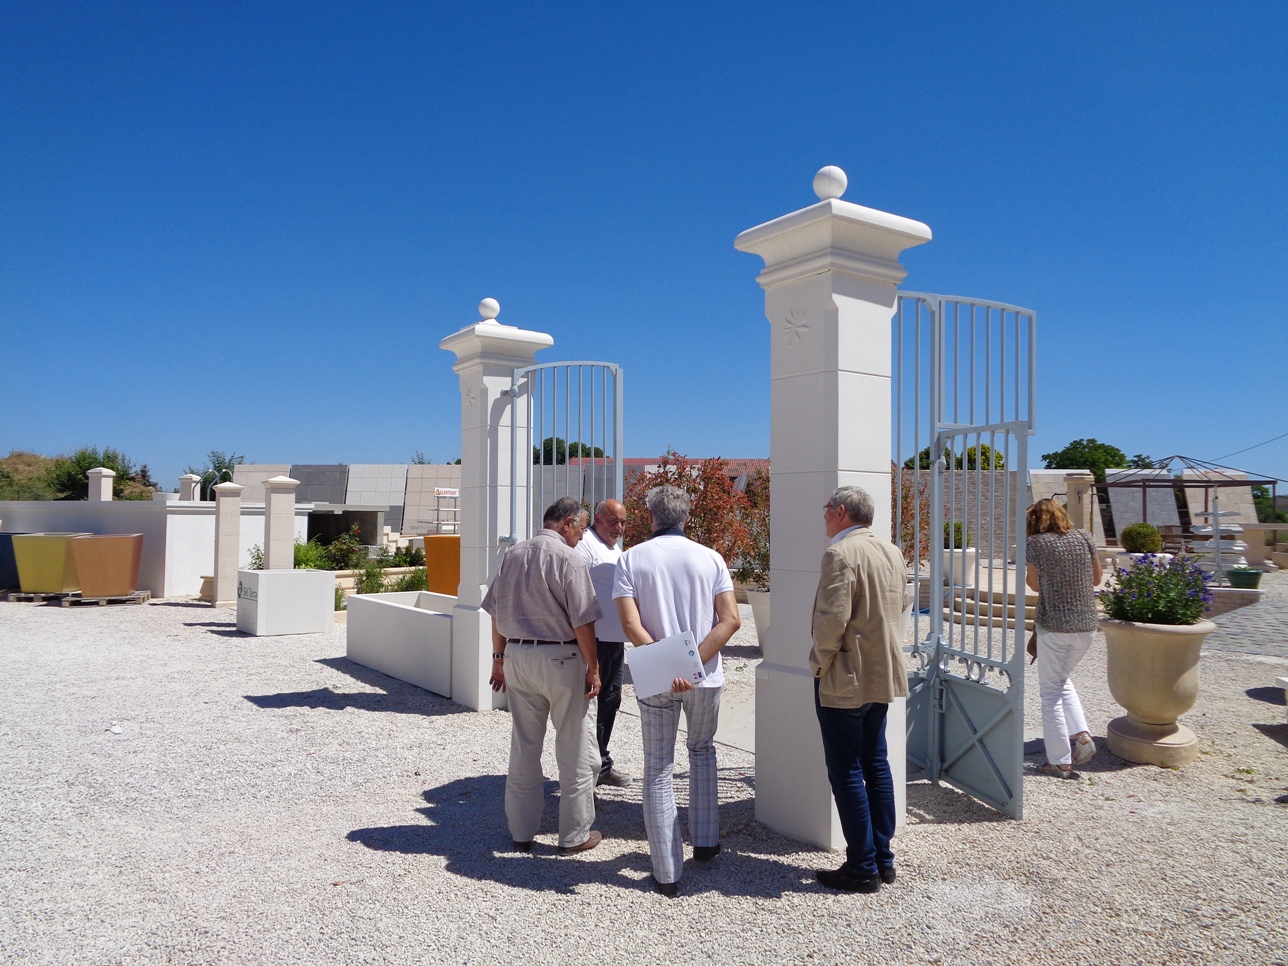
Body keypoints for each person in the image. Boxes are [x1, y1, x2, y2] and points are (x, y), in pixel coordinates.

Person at [613, 485, 741, 897]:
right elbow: (730, 620)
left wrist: (670, 667)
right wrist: (694, 664)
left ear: (651, 517)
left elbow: (632, 627)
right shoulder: (712, 558)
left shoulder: (630, 559)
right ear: (686, 517)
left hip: (656, 679)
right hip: (706, 676)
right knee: (702, 752)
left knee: (658, 768)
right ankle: (705, 843)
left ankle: (667, 871)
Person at [481, 496, 604, 854]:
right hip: (561, 657)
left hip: (518, 655)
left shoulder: (513, 555)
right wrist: (593, 669)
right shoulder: (569, 558)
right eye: (580, 527)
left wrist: (498, 659)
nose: (582, 535)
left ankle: (521, 832)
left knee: (524, 746)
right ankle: (574, 835)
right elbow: (583, 621)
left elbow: (495, 613)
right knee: (574, 747)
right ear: (566, 523)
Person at [810, 485, 910, 893]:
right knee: (875, 764)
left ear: (841, 512)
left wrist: (819, 663)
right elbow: (901, 604)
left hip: (845, 676)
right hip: (880, 673)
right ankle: (882, 858)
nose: (823, 515)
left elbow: (832, 619)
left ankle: (862, 866)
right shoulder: (892, 551)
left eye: (826, 508)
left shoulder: (840, 554)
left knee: (847, 770)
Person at [1025, 498, 1103, 778]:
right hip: (1086, 625)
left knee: (1050, 693)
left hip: (1054, 625)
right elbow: (1096, 578)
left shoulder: (1036, 544)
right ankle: (1081, 735)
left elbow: (1033, 584)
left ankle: (1060, 760)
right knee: (1061, 680)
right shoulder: (1084, 537)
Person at [576, 498, 633, 787]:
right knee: (592, 705)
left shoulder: (612, 547)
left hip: (614, 641)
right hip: (595, 640)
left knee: (611, 700)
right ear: (597, 518)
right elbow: (574, 592)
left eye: (623, 522)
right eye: (613, 521)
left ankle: (601, 764)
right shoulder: (585, 546)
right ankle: (589, 768)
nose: (619, 527)